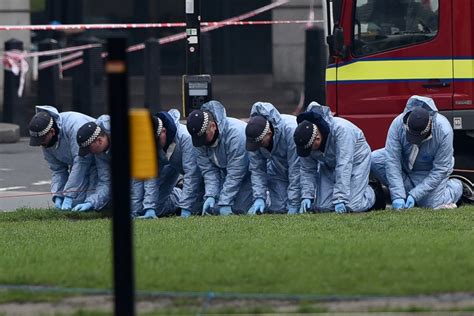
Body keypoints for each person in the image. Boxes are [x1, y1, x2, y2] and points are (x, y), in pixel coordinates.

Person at [371, 95, 463, 209]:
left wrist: (415, 195)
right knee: (375, 159)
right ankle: (405, 193)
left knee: (431, 204)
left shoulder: (444, 131)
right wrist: (398, 196)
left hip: (426, 170)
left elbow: (440, 169)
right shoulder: (397, 124)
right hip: (404, 164)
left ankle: (456, 187)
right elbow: (392, 160)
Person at [294, 102, 379, 213]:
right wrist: (307, 195)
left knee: (353, 206)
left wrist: (340, 198)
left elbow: (344, 164)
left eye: (311, 149)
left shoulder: (341, 130)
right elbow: (307, 169)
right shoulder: (306, 138)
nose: (310, 152)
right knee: (323, 207)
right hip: (330, 162)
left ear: (318, 139)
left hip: (356, 159)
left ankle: (374, 191)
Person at [131, 109, 204, 219]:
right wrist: (147, 208)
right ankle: (178, 194)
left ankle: (181, 194)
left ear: (164, 131)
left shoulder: (186, 138)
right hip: (174, 165)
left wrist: (185, 208)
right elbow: (151, 176)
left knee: (200, 208)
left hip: (201, 174)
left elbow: (192, 174)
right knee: (157, 208)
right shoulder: (156, 143)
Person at [186, 100, 253, 215]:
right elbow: (209, 171)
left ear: (213, 126)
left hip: (248, 175)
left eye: (204, 137)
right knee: (213, 209)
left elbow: (236, 172)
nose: (202, 143)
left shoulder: (235, 134)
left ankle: (264, 197)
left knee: (240, 209)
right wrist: (211, 195)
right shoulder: (199, 141)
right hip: (226, 175)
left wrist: (225, 202)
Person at [28, 105, 96, 210]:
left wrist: (69, 195)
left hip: (97, 160)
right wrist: (58, 195)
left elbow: (81, 162)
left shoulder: (75, 126)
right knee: (76, 204)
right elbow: (58, 169)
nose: (40, 144)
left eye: (42, 140)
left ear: (52, 132)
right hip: (80, 165)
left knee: (97, 202)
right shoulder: (46, 142)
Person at [245, 102, 300, 214]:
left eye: (260, 143)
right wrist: (259, 198)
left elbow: (296, 169)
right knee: (278, 209)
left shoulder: (291, 131)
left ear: (269, 133)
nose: (258, 147)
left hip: (299, 171)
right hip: (278, 172)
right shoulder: (256, 138)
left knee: (318, 206)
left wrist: (294, 202)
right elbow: (257, 169)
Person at [72, 115, 112, 212]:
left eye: (89, 148)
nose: (89, 153)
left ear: (99, 141)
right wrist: (91, 202)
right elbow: (105, 181)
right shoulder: (99, 153)